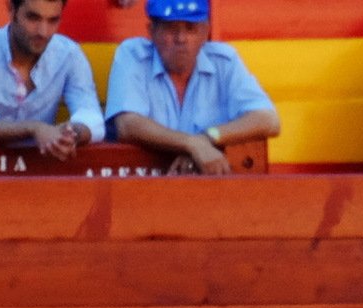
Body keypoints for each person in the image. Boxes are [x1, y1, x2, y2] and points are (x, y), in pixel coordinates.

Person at [104, 0, 279, 176]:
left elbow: (268, 120)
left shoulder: (224, 61)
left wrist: (207, 138)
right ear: (152, 32)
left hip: (212, 192)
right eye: (171, 28)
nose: (181, 38)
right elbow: (127, 125)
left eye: (190, 28)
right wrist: (192, 144)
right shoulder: (133, 54)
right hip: (143, 191)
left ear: (205, 32)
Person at [0, 0, 104, 158]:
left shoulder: (68, 54)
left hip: (39, 174)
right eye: (33, 18)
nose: (43, 31)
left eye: (53, 20)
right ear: (11, 9)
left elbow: (93, 120)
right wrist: (34, 128)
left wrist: (70, 134)